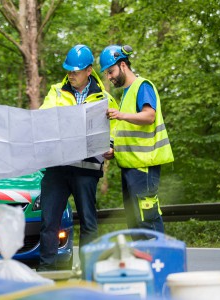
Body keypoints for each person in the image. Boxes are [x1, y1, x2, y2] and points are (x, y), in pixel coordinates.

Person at [38, 45, 119, 271]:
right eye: (69, 70)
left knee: (88, 223)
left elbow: (116, 128)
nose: (71, 74)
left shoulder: (104, 98)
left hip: (87, 168)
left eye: (76, 71)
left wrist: (111, 147)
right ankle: (47, 272)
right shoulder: (56, 92)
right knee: (49, 222)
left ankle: (89, 271)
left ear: (89, 71)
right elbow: (43, 119)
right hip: (57, 168)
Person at [99, 45, 174, 239]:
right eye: (107, 73)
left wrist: (121, 115)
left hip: (144, 168)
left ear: (123, 65)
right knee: (136, 225)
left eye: (111, 71)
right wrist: (113, 149)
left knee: (146, 221)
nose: (109, 77)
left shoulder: (142, 86)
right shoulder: (127, 94)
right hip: (131, 168)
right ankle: (144, 267)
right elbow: (129, 130)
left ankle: (160, 264)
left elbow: (149, 116)